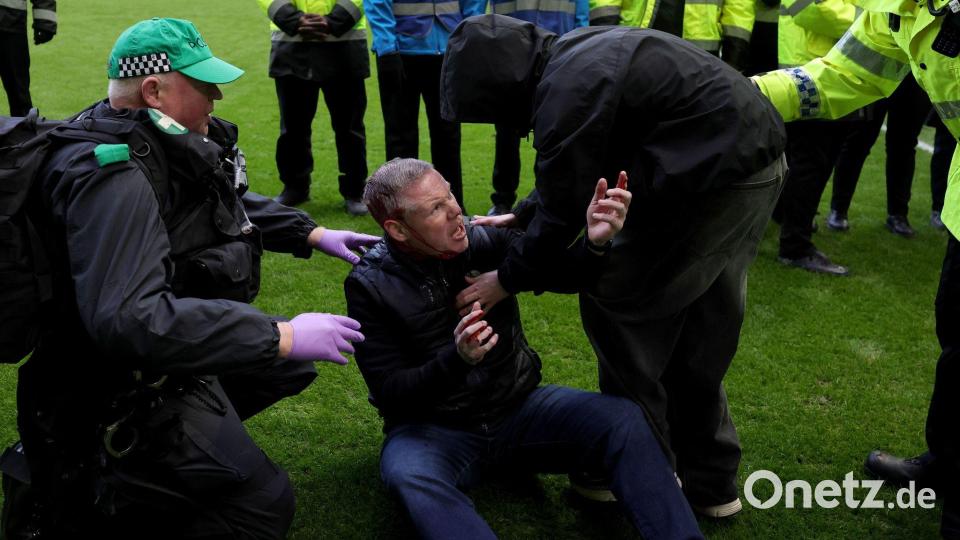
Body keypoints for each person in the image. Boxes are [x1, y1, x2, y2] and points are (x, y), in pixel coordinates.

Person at [0, 18, 378, 539]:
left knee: (282, 371)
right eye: (202, 85)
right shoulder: (114, 176)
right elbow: (130, 319)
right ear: (154, 91)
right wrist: (281, 334)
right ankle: (108, 464)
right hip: (105, 385)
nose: (216, 96)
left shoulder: (132, 135)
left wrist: (310, 233)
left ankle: (151, 468)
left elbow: (211, 198)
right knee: (262, 504)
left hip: (124, 365)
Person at [442, 15, 787, 518]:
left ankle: (634, 471)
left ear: (501, 84)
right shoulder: (575, 56)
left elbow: (564, 208)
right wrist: (524, 213)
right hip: (753, 168)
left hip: (710, 184)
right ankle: (711, 483)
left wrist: (505, 280)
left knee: (621, 309)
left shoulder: (568, 87)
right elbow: (580, 166)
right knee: (700, 325)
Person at [345, 157, 703, 539]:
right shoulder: (369, 284)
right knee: (410, 476)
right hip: (433, 431)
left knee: (621, 418)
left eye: (449, 195)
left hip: (518, 409)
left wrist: (596, 243)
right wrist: (458, 359)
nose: (456, 211)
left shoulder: (480, 238)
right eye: (436, 208)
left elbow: (557, 270)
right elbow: (391, 394)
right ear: (397, 230)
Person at [751, 3, 960, 536]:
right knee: (957, 329)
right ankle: (948, 463)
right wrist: (741, 94)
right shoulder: (900, 4)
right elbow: (847, 73)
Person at [363, 0, 483, 211]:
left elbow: (474, 3)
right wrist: (386, 48)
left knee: (448, 136)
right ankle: (400, 210)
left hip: (448, 51)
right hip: (401, 52)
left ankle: (453, 208)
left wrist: (467, 38)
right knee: (400, 137)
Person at [257, 0, 372, 213]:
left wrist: (336, 20)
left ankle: (355, 190)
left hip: (344, 44)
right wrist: (293, 19)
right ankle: (295, 187)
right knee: (293, 127)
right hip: (292, 44)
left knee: (350, 128)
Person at [773, 0, 860, 275]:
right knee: (811, 161)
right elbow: (809, 8)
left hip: (826, 69)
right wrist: (869, 21)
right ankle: (795, 246)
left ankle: (789, 224)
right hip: (812, 71)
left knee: (811, 159)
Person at [485, 0, 588, 216]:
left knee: (551, 131)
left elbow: (581, 16)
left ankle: (545, 197)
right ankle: (503, 199)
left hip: (558, 56)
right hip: (511, 57)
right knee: (506, 133)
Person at [825, 74, 931, 237]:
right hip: (878, 73)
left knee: (904, 146)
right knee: (858, 141)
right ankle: (838, 209)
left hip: (914, 77)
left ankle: (898, 215)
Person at [0, 0, 56, 116]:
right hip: (11, 19)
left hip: (11, 22)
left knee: (19, 96)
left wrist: (45, 21)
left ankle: (23, 132)